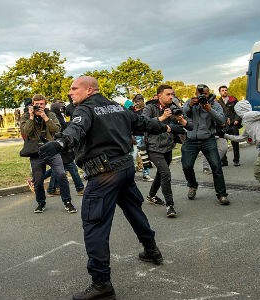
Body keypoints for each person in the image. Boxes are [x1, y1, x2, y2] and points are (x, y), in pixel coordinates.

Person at [38, 76, 170, 300]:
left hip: (104, 175)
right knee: (134, 211)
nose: (70, 92)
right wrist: (165, 125)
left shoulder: (86, 110)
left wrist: (59, 143)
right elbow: (143, 123)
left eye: (74, 88)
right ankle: (152, 250)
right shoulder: (116, 107)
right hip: (125, 169)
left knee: (94, 225)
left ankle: (101, 284)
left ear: (89, 90)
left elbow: (75, 130)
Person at [19, 94, 76, 214]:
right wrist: (31, 117)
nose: (39, 106)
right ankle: (41, 203)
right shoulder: (26, 116)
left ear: (45, 104)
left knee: (61, 174)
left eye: (42, 104)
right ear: (32, 104)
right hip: (36, 152)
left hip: (52, 150)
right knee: (38, 180)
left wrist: (45, 117)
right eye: (37, 104)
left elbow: (57, 130)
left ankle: (67, 202)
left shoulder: (50, 114)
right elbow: (26, 132)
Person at [143, 85, 193, 217]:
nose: (171, 96)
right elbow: (144, 123)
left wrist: (181, 119)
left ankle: (151, 195)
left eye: (172, 94)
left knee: (161, 173)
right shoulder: (150, 107)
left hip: (168, 146)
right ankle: (170, 205)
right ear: (159, 95)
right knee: (166, 173)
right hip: (153, 147)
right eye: (168, 94)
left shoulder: (174, 107)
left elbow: (190, 126)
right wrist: (162, 118)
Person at [181, 84, 229, 205]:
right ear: (196, 93)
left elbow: (222, 121)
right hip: (191, 139)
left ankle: (222, 194)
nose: (202, 96)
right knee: (186, 166)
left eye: (205, 94)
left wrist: (209, 109)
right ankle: (192, 186)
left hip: (208, 139)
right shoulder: (190, 102)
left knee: (216, 167)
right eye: (199, 93)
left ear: (209, 93)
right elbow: (181, 115)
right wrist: (191, 105)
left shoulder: (214, 104)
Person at [46, 101, 85, 196]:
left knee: (58, 169)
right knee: (71, 168)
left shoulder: (59, 117)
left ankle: (51, 188)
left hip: (63, 146)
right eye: (61, 108)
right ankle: (79, 188)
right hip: (62, 147)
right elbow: (59, 130)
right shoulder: (55, 118)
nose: (63, 110)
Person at [130, 94, 154, 182]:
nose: (139, 101)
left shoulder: (145, 110)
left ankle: (146, 174)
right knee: (132, 156)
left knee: (145, 157)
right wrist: (131, 136)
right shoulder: (130, 110)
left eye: (141, 99)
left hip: (144, 135)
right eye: (137, 100)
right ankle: (130, 175)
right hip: (134, 136)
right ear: (134, 101)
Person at [217, 86, 241, 166]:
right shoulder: (218, 102)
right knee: (223, 144)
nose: (224, 91)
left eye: (225, 90)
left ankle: (236, 160)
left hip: (233, 125)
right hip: (223, 126)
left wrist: (237, 120)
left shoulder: (233, 99)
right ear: (220, 92)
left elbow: (239, 110)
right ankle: (224, 161)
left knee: (235, 143)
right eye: (222, 90)